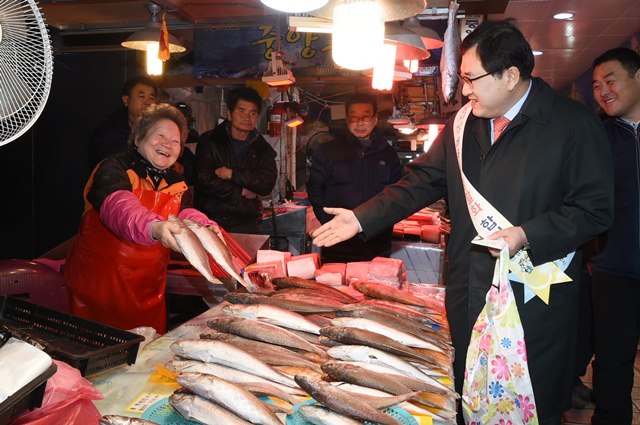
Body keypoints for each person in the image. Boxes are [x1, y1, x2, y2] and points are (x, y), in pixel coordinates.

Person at [312, 19, 614, 425]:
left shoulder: (572, 124)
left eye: (471, 78)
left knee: (529, 399)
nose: (464, 89)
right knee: (468, 394)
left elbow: (594, 209)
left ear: (510, 76)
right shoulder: (462, 124)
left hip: (533, 295)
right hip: (468, 288)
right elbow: (421, 181)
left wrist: (527, 234)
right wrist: (362, 218)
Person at [65, 103, 219, 334]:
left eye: (176, 141)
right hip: (97, 293)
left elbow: (184, 213)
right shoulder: (113, 168)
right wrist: (153, 227)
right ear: (138, 138)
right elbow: (118, 206)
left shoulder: (177, 182)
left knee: (144, 362)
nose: (168, 144)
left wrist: (205, 227)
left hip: (148, 295)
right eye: (160, 135)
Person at [590, 47, 640, 425]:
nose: (602, 90)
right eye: (595, 85)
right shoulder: (595, 138)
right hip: (612, 269)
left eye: (611, 80)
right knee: (612, 363)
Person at [307, 92, 402, 262]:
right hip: (338, 243)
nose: (359, 123)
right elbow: (315, 191)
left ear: (375, 118)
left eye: (365, 117)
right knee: (336, 287)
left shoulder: (388, 154)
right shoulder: (327, 151)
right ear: (346, 118)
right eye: (354, 117)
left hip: (378, 242)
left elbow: (396, 195)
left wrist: (382, 225)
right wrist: (328, 223)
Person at [194, 86, 277, 233]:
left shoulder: (263, 148)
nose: (247, 118)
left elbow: (267, 183)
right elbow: (203, 179)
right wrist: (240, 191)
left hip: (246, 222)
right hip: (210, 221)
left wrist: (232, 174)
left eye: (253, 113)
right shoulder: (210, 140)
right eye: (241, 111)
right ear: (230, 114)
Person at [88, 76, 157, 167]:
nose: (148, 102)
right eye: (142, 96)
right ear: (126, 100)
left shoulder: (158, 128)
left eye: (151, 98)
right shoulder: (109, 130)